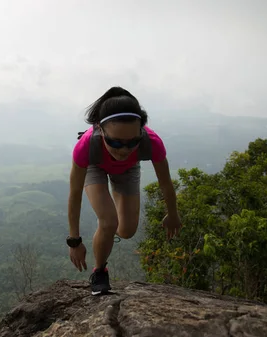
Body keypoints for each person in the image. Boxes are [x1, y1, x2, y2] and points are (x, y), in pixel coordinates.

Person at [66, 86, 182, 296]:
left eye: (132, 142)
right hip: (95, 165)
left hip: (127, 169)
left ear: (141, 132)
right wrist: (74, 241)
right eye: (115, 142)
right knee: (109, 221)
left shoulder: (152, 143)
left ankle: (107, 230)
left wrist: (173, 214)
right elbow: (74, 194)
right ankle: (99, 272)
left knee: (126, 230)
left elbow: (165, 183)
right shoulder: (86, 147)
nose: (124, 150)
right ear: (100, 130)